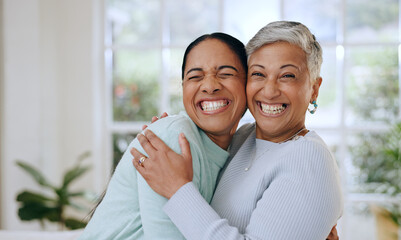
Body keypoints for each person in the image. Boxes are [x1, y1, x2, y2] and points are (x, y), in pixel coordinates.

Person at [132, 21, 343, 240]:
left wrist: (177, 189)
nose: (269, 91)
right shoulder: (244, 137)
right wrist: (172, 130)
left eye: (287, 76)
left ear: (314, 90)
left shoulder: (308, 159)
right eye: (258, 74)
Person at [79, 32, 248, 239]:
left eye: (225, 73)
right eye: (195, 76)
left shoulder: (240, 148)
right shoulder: (174, 138)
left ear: (248, 83)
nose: (210, 86)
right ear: (184, 88)